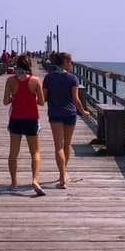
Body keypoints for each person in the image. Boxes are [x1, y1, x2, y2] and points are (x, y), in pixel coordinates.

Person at [42, 51, 89, 188]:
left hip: (55, 114)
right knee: (66, 145)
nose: (71, 64)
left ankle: (62, 176)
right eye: (70, 61)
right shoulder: (72, 78)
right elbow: (76, 99)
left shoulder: (49, 78)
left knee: (59, 146)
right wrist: (83, 111)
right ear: (64, 62)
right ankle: (64, 174)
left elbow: (44, 99)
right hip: (70, 114)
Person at [2, 52, 46, 195]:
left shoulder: (10, 81)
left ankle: (14, 183)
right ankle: (35, 180)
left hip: (16, 119)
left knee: (13, 152)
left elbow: (5, 102)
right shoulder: (35, 81)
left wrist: (15, 98)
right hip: (31, 119)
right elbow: (41, 102)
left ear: (17, 65)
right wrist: (30, 99)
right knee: (35, 152)